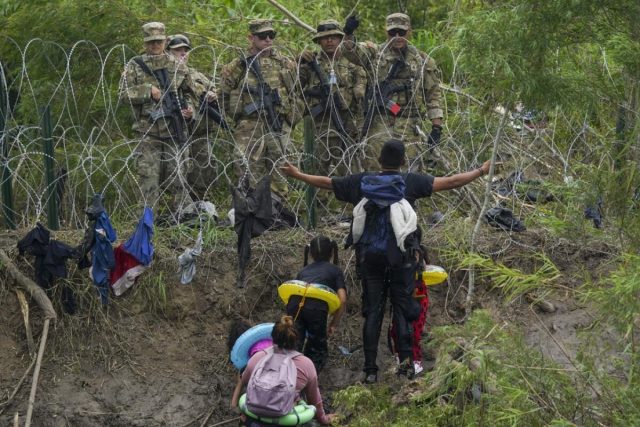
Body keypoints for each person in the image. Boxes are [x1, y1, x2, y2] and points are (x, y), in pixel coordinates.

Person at [281, 139, 490, 383]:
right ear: (403, 161)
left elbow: (328, 183)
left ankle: (370, 371)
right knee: (402, 310)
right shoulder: (410, 182)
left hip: (370, 259)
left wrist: (298, 174)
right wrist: (481, 171)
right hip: (402, 259)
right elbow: (452, 181)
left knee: (373, 313)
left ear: (379, 160)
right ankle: (405, 365)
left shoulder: (363, 181)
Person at [341, 13, 444, 172]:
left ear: (410, 32)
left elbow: (433, 95)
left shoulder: (422, 60)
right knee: (376, 170)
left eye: (401, 32)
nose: (397, 37)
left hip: (409, 124)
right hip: (380, 123)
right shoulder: (375, 54)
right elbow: (351, 51)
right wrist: (348, 33)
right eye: (392, 32)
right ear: (386, 32)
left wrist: (436, 128)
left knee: (409, 173)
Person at [119, 22, 199, 214]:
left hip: (174, 129)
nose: (155, 45)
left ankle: (182, 219)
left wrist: (189, 109)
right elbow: (122, 94)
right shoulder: (135, 66)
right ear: (145, 42)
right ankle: (146, 223)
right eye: (151, 42)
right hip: (148, 132)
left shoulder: (177, 65)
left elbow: (191, 93)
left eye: (158, 41)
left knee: (178, 177)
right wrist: (147, 91)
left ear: (165, 41)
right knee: (148, 180)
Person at [219, 19, 300, 198]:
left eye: (271, 35)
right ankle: (250, 208)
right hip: (249, 124)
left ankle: (277, 210)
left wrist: (290, 120)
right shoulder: (238, 66)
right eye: (263, 36)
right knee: (245, 167)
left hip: (277, 122)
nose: (268, 40)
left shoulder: (284, 63)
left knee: (280, 166)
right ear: (251, 38)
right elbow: (223, 95)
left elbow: (296, 94)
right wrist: (237, 118)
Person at [298, 19, 367, 177]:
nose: (330, 41)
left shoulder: (353, 66)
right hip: (319, 130)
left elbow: (361, 101)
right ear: (319, 41)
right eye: (325, 37)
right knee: (314, 180)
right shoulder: (309, 64)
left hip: (346, 128)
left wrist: (359, 130)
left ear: (340, 39)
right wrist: (297, 61)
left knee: (351, 178)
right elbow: (293, 85)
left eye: (334, 37)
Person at [241, 315, 337, 426]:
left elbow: (245, 382)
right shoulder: (306, 364)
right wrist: (324, 420)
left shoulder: (257, 358)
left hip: (254, 419)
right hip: (286, 420)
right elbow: (315, 401)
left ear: (272, 337)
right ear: (297, 339)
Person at [165, 34, 222, 200]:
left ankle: (201, 208)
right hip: (176, 135)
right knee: (177, 175)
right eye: (177, 51)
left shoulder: (196, 75)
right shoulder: (166, 76)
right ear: (168, 52)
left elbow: (218, 92)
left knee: (204, 174)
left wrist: (213, 94)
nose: (183, 54)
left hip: (200, 134)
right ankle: (180, 211)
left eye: (185, 50)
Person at [287, 235, 347, 372]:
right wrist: (333, 323)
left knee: (293, 345)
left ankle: (288, 381)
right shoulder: (335, 270)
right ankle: (308, 386)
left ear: (311, 254)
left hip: (294, 304)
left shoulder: (303, 271)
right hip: (316, 308)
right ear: (332, 252)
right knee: (316, 351)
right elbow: (342, 299)